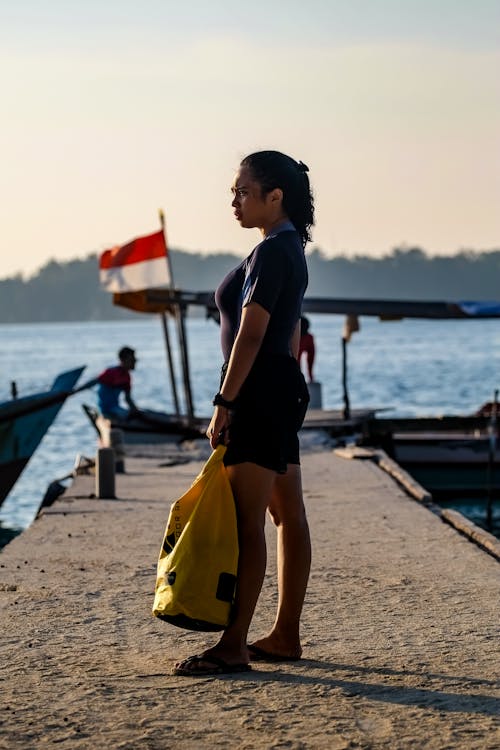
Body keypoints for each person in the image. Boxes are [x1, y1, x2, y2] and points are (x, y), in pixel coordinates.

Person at [173, 150, 314, 676]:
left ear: (274, 196)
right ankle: (284, 636)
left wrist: (225, 402)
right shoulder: (288, 249)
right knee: (286, 514)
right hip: (278, 387)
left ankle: (233, 646)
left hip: (258, 392)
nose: (234, 200)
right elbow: (292, 331)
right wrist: (286, 390)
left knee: (247, 521)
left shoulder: (273, 252)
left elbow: (252, 332)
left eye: (242, 191)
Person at [96, 346, 139, 420]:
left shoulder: (127, 377)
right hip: (107, 410)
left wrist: (136, 412)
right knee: (128, 417)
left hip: (115, 408)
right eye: (132, 359)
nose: (135, 361)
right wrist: (74, 392)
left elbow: (127, 398)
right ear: (123, 360)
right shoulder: (112, 372)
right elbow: (94, 381)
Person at [298, 315, 315, 382]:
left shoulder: (308, 338)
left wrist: (310, 377)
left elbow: (311, 359)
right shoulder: (308, 338)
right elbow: (311, 359)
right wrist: (310, 377)